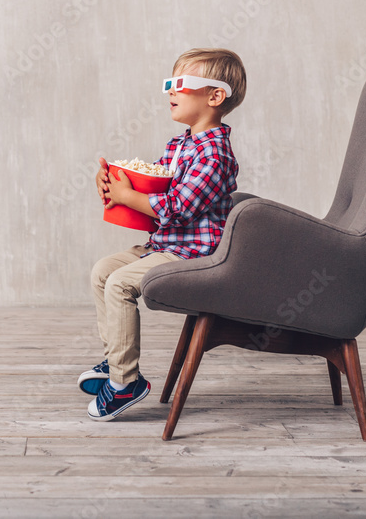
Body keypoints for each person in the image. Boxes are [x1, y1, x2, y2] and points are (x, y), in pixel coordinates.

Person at [82, 48, 247, 421]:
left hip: (195, 255)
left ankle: (126, 384)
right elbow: (154, 186)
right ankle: (116, 362)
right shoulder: (180, 144)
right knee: (102, 271)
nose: (170, 91)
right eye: (168, 83)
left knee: (120, 284)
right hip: (165, 244)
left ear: (215, 96)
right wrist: (117, 185)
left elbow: (177, 207)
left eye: (180, 84)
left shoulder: (215, 154)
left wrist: (129, 196)